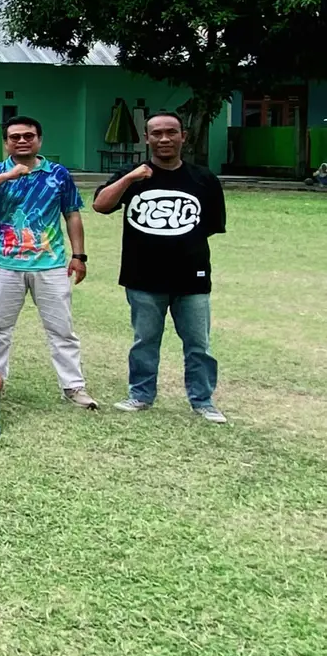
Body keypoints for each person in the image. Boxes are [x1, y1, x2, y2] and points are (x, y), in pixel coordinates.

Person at [92, 110, 227, 423]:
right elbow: (100, 205)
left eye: (171, 132)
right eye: (156, 133)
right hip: (142, 276)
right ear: (146, 138)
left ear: (184, 136)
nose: (164, 139)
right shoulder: (134, 174)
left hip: (192, 278)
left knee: (198, 344)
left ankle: (203, 401)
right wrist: (129, 178)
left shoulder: (203, 179)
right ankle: (140, 395)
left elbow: (207, 226)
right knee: (145, 341)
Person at [0, 116, 99, 410]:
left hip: (50, 264)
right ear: (6, 142)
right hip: (5, 262)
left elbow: (72, 214)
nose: (22, 141)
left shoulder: (57, 174)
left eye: (28, 136)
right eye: (15, 137)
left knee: (61, 329)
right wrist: (7, 176)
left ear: (39, 140)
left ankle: (73, 386)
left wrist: (79, 256)